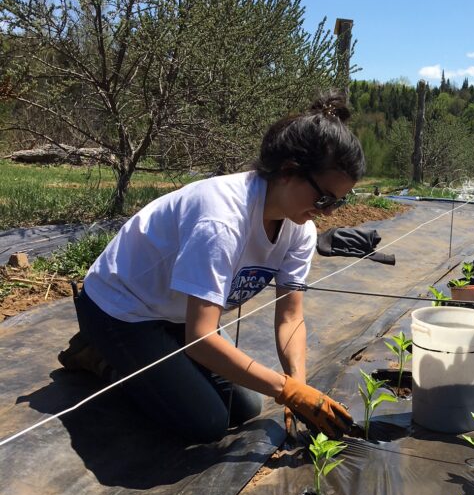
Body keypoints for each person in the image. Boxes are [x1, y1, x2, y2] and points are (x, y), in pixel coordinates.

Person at [71, 91, 362, 444]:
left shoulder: (300, 230)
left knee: (245, 408)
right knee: (206, 423)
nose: (329, 212)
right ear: (288, 171)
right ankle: (101, 355)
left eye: (338, 202)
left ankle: (147, 363)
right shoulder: (222, 219)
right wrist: (285, 391)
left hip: (177, 316)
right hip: (122, 311)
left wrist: (296, 384)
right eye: (324, 199)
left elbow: (290, 317)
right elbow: (201, 337)